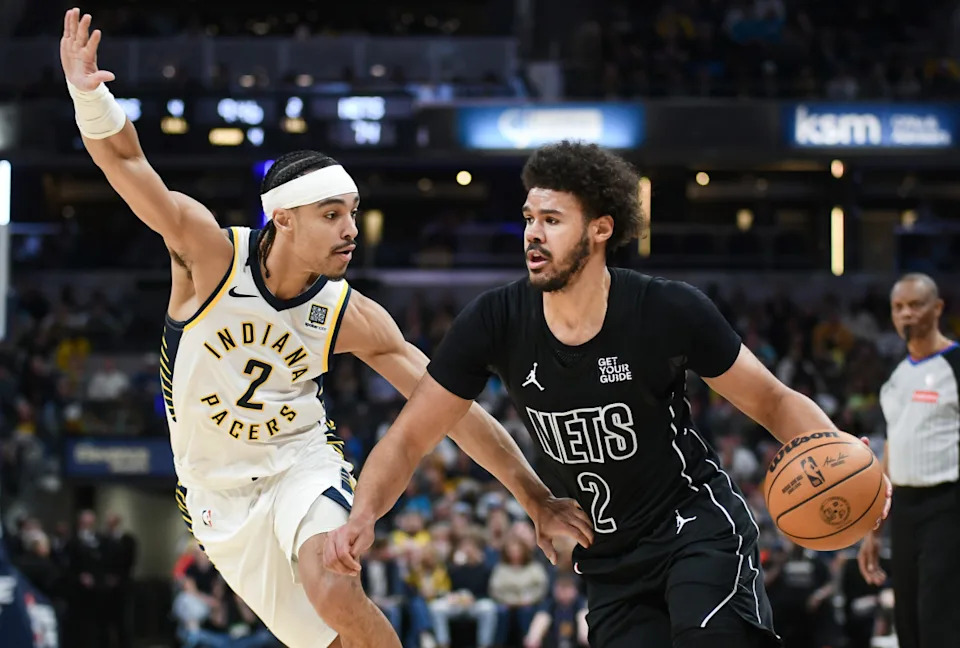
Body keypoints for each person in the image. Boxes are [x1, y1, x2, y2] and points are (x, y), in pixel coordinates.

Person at [59, 9, 590, 648]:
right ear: (282, 218)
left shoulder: (347, 313)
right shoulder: (209, 257)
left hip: (300, 464)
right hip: (214, 494)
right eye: (332, 214)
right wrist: (89, 97)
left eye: (353, 213)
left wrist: (534, 498)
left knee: (335, 588)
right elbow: (127, 163)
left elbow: (450, 405)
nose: (350, 230)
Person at [324, 140, 892, 648]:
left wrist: (841, 454)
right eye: (529, 218)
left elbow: (771, 399)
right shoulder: (494, 321)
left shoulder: (666, 309)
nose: (533, 234)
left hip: (694, 527)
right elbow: (410, 436)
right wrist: (362, 515)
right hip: (609, 559)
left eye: (552, 220)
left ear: (600, 228)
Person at [858, 273, 960, 648]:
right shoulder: (898, 376)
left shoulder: (955, 363)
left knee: (939, 620)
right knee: (909, 622)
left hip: (947, 503)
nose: (906, 314)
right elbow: (893, 447)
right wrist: (874, 527)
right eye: (898, 307)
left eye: (915, 305)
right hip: (903, 508)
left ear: (937, 308)